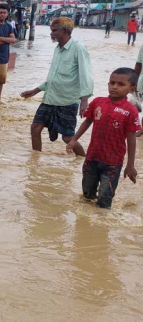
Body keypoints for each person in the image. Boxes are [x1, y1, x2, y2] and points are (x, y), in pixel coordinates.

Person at [66, 68, 140, 209]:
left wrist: (130, 165)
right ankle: (87, 226)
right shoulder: (98, 102)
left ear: (132, 88)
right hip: (92, 158)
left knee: (104, 201)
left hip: (112, 163)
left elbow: (131, 139)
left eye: (120, 84)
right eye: (112, 83)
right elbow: (87, 121)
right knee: (87, 196)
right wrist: (74, 139)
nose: (114, 87)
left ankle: (101, 228)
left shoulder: (130, 111)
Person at [20, 17, 94, 156]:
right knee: (35, 128)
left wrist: (84, 100)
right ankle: (35, 162)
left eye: (54, 30)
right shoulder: (57, 49)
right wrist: (35, 91)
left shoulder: (78, 48)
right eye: (51, 30)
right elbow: (53, 77)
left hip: (67, 100)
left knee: (67, 137)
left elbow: (86, 75)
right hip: (50, 98)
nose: (51, 34)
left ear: (65, 31)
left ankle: (83, 160)